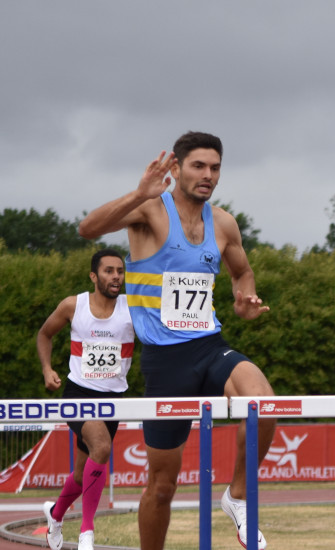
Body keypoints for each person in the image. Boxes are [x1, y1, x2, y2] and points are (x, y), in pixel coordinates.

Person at [77, 131, 276, 550]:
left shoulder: (223, 223)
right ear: (177, 168)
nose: (208, 175)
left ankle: (237, 496)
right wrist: (138, 193)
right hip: (165, 362)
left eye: (215, 168)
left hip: (209, 345)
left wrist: (244, 299)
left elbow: (241, 271)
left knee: (262, 402)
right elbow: (87, 229)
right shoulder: (150, 210)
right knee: (163, 485)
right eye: (198, 166)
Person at [38, 248, 134, 550]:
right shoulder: (73, 305)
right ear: (94, 276)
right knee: (102, 447)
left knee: (82, 474)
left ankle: (55, 516)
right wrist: (46, 369)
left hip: (114, 396)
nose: (116, 276)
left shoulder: (133, 309)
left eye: (120, 271)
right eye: (109, 271)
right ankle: (87, 531)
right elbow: (44, 334)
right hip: (78, 391)